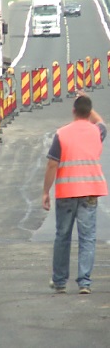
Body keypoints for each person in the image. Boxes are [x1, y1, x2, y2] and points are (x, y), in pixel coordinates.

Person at [42, 92, 107, 294]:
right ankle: (84, 283)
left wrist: (45, 192)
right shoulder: (97, 132)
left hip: (67, 193)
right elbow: (101, 122)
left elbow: (53, 164)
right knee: (87, 238)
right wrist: (87, 102)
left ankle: (60, 281)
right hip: (89, 192)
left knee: (63, 236)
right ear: (88, 112)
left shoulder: (62, 134)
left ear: (73, 112)